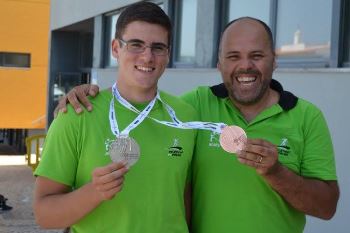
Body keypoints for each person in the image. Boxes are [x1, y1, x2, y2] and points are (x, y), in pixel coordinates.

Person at [57, 17, 339, 233]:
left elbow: (327, 207)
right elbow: (140, 109)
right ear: (219, 64)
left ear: (273, 61)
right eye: (233, 57)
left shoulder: (305, 116)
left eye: (256, 56)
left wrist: (276, 172)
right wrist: (84, 94)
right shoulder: (193, 107)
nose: (245, 66)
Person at [34, 2, 197, 233]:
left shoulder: (185, 115)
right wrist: (94, 192)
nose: (147, 57)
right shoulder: (77, 114)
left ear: (168, 54)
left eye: (158, 47)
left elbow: (184, 198)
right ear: (115, 48)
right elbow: (43, 214)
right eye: (135, 45)